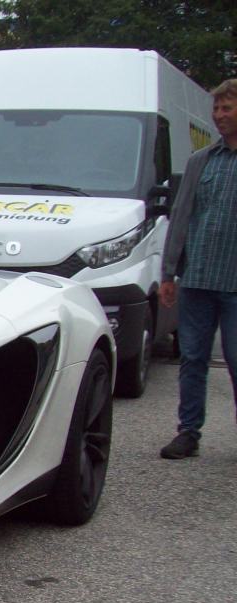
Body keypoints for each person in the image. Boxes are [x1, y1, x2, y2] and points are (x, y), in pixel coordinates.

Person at [158, 78, 237, 460]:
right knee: (192, 358)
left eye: (227, 109)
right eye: (217, 109)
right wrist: (168, 273)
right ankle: (188, 432)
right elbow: (181, 216)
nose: (219, 116)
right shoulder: (201, 162)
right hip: (199, 279)